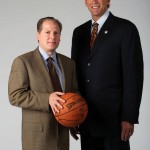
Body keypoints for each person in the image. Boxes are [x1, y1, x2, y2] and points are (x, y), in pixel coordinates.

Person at [71, 0, 144, 150]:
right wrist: (73, 115)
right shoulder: (79, 32)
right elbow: (75, 76)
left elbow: (133, 77)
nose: (94, 1)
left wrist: (128, 117)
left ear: (108, 0)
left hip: (114, 122)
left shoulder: (126, 29)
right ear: (85, 2)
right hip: (87, 119)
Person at [8, 17, 78, 150]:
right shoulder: (23, 61)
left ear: (60, 37)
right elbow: (15, 95)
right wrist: (47, 99)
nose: (52, 36)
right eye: (47, 32)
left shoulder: (69, 63)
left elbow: (74, 91)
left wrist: (74, 115)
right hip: (37, 137)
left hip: (62, 133)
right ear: (38, 35)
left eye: (56, 33)